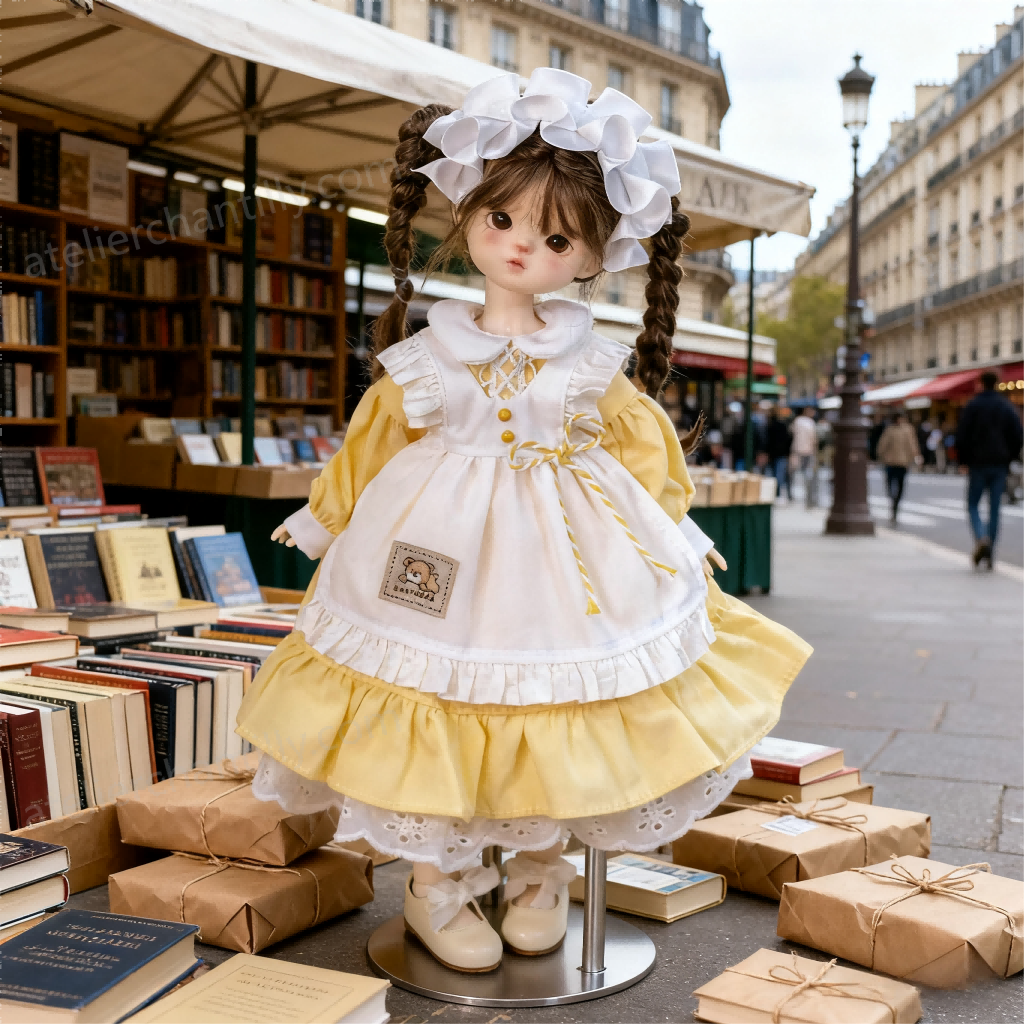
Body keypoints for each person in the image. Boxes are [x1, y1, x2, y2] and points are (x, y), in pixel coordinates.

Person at [235, 69, 812, 973]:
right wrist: (325, 516)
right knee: (439, 692)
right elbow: (375, 434)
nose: (518, 246)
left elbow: (643, 446)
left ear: (588, 256)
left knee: (556, 688)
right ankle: (436, 880)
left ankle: (543, 866)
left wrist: (673, 533)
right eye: (500, 219)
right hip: (433, 547)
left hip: (565, 550)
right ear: (466, 210)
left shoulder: (587, 359)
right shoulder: (430, 354)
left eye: (552, 235)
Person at [955, 370, 1024, 567]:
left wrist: (963, 461)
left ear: (980, 383)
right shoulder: (1006, 407)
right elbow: (1018, 436)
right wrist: (1010, 457)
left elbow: (962, 435)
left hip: (977, 463)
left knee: (973, 505)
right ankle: (990, 551)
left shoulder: (973, 405)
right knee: (995, 508)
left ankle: (981, 536)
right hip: (999, 464)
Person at [876, 411, 921, 522]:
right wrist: (916, 457)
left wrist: (881, 456)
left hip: (895, 462)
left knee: (895, 485)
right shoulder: (902, 429)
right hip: (898, 463)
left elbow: (882, 446)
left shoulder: (894, 429)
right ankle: (894, 503)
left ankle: (894, 504)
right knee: (896, 485)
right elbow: (912, 445)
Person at [790, 406, 818, 507]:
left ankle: (794, 496)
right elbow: (814, 438)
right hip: (807, 451)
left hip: (798, 450)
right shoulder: (809, 422)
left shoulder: (797, 421)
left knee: (796, 474)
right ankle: (808, 498)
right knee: (808, 475)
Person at [765, 407, 792, 499]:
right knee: (779, 474)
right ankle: (777, 493)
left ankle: (776, 493)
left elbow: (767, 441)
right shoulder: (782, 425)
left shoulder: (769, 426)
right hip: (781, 453)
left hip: (773, 454)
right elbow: (788, 439)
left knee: (774, 474)